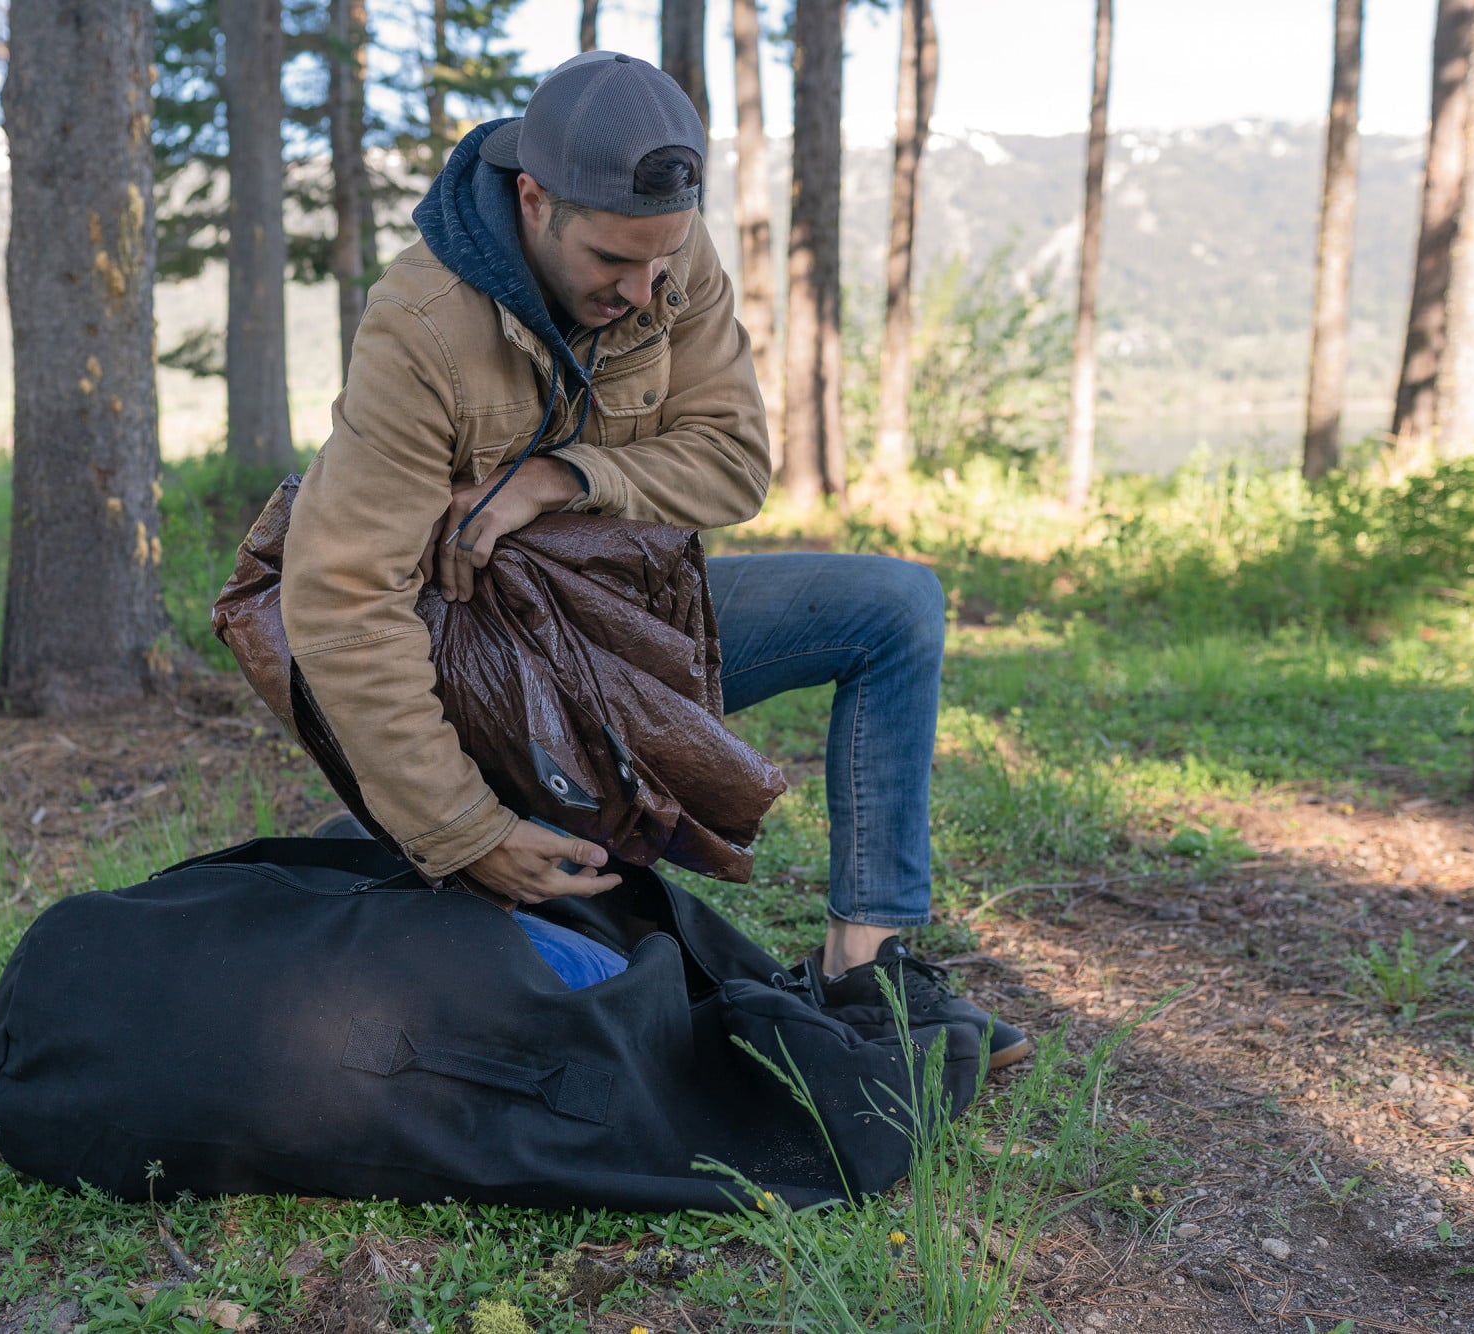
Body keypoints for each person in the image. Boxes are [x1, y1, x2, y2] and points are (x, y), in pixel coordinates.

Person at [281, 51, 1028, 1064]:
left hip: (627, 643)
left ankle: (862, 967)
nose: (642, 290)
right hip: (484, 682)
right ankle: (399, 844)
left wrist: (563, 476)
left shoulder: (668, 255)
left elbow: (732, 462)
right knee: (424, 909)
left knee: (894, 605)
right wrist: (464, 829)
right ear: (534, 200)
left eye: (661, 261)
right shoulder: (421, 325)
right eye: (609, 264)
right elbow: (340, 599)